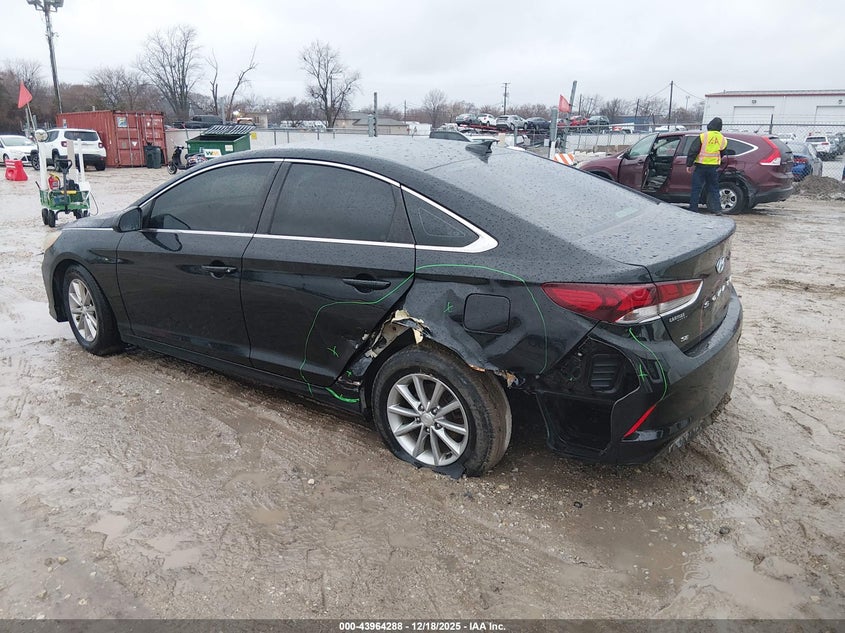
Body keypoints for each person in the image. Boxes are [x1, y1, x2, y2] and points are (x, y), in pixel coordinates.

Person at [686, 117, 728, 214]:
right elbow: (723, 152)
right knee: (714, 188)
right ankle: (717, 209)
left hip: (701, 166)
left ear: (710, 125)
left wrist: (689, 164)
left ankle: (693, 209)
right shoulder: (723, 139)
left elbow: (693, 151)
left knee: (696, 188)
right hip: (713, 167)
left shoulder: (703, 136)